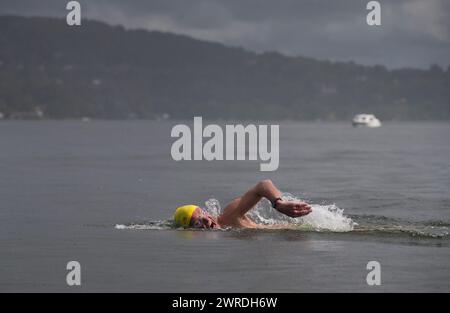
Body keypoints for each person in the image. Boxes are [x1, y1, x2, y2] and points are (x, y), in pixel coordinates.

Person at [173, 179, 312, 229]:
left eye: (202, 213)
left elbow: (263, 185)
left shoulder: (229, 216)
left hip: (298, 231)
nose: (205, 220)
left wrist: (279, 204)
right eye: (197, 224)